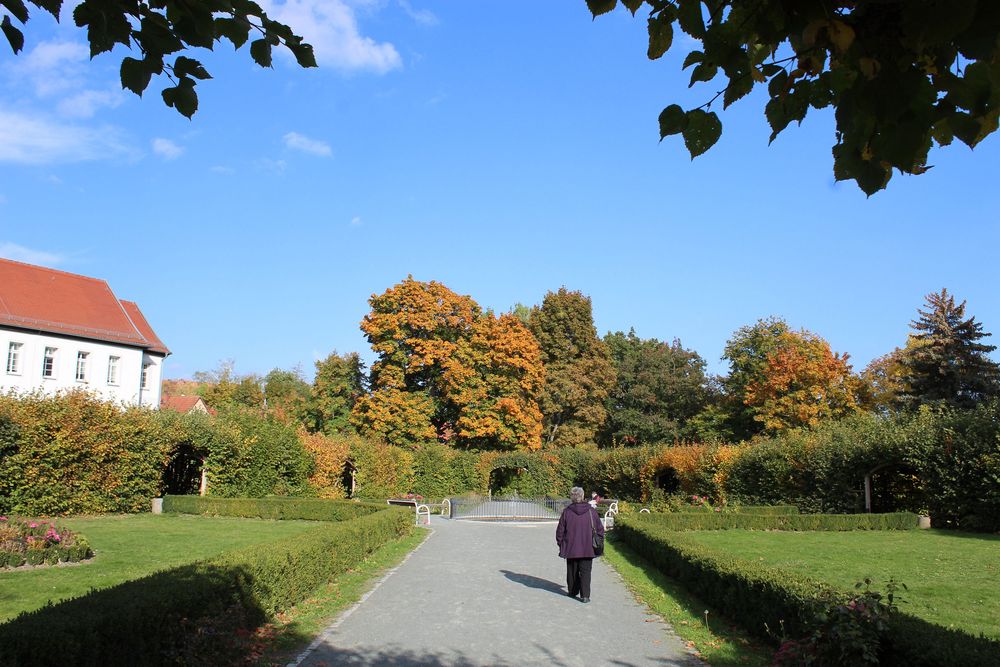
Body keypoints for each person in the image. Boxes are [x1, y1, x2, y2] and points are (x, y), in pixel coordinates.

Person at [556, 486, 604, 603]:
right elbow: (599, 529)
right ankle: (585, 596)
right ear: (582, 496)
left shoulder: (567, 512)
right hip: (588, 548)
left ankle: (572, 591)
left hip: (571, 547)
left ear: (572, 497)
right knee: (586, 571)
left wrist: (561, 543)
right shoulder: (591, 511)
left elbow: (560, 531)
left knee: (572, 571)